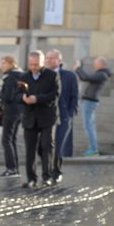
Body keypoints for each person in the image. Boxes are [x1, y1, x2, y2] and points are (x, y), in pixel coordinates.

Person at [20, 50, 60, 188]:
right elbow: (16, 95)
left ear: (42, 63)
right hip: (29, 118)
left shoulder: (52, 76)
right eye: (31, 64)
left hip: (47, 118)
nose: (33, 67)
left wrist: (37, 98)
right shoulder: (23, 76)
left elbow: (54, 96)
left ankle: (47, 177)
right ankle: (31, 178)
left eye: (36, 64)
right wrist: (23, 98)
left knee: (47, 147)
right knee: (30, 149)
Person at [47, 49, 77, 183]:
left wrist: (70, 114)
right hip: (45, 116)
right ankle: (46, 172)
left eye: (53, 58)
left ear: (60, 61)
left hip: (63, 116)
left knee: (58, 145)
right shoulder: (42, 75)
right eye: (47, 58)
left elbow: (74, 96)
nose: (50, 61)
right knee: (46, 145)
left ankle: (56, 171)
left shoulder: (69, 76)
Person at [74, 57, 111, 156]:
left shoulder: (102, 74)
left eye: (96, 63)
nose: (94, 65)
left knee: (88, 126)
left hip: (90, 102)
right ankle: (93, 148)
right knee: (89, 126)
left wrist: (78, 68)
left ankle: (94, 149)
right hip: (89, 101)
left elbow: (85, 77)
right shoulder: (101, 74)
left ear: (102, 64)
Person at [0, 55, 24, 177]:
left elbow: (8, 97)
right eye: (1, 63)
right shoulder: (20, 75)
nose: (2, 66)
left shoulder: (11, 78)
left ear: (12, 64)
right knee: (12, 140)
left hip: (11, 111)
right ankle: (14, 168)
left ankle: (11, 169)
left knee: (6, 140)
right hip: (20, 111)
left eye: (4, 63)